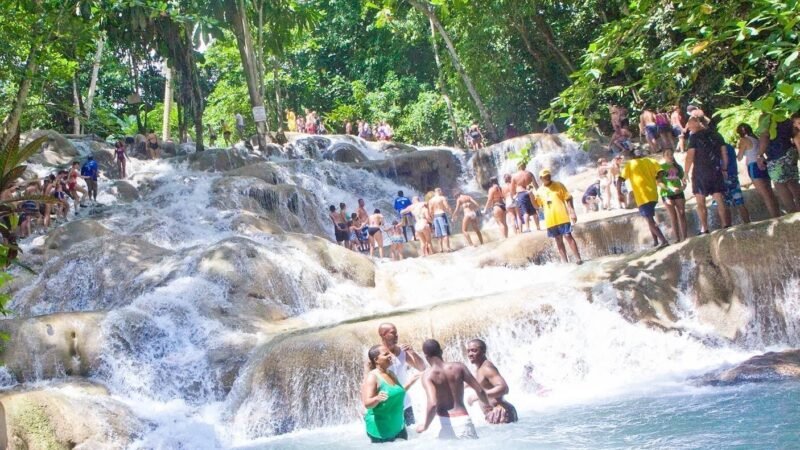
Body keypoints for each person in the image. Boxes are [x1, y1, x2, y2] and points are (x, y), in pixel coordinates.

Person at [415, 339, 491, 440]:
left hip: (444, 422)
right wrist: (489, 408)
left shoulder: (427, 375)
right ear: (441, 351)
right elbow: (480, 391)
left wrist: (425, 426)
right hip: (464, 420)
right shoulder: (459, 367)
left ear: (426, 356)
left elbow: (432, 404)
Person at [361, 345, 420, 443]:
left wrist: (411, 382)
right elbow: (367, 403)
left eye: (390, 353)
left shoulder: (390, 373)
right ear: (376, 360)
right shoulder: (373, 377)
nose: (390, 355)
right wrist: (377, 398)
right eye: (386, 354)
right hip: (381, 431)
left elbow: (399, 391)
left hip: (399, 427)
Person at [684, 116, 730, 233]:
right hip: (715, 170)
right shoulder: (716, 135)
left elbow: (690, 156)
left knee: (700, 201)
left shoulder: (694, 137)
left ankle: (704, 228)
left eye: (690, 124)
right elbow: (724, 153)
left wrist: (685, 173)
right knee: (719, 198)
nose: (689, 128)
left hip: (700, 172)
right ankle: (725, 224)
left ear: (697, 122)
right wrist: (724, 169)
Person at [377, 323, 425, 425]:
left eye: (397, 333)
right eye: (393, 333)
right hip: (389, 405)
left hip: (406, 403)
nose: (396, 336)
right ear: (383, 335)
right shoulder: (377, 356)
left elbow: (422, 368)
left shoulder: (402, 352)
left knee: (412, 437)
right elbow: (368, 380)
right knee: (393, 439)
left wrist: (412, 352)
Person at [618, 155, 670, 247]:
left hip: (642, 196)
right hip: (653, 194)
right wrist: (657, 179)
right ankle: (655, 241)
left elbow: (620, 179)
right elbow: (661, 172)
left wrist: (619, 193)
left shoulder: (630, 164)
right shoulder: (651, 161)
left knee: (650, 220)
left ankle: (664, 240)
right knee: (648, 218)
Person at [534, 169, 583, 264]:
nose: (547, 177)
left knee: (568, 235)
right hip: (550, 219)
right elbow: (537, 206)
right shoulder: (539, 191)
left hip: (562, 216)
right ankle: (565, 261)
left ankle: (578, 259)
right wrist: (531, 197)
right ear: (540, 178)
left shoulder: (559, 185)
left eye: (548, 175)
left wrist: (572, 211)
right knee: (558, 240)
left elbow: (568, 198)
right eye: (545, 176)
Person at [466, 339, 518, 424]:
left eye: (474, 350)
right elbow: (481, 383)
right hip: (494, 415)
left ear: (483, 351)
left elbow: (504, 388)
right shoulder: (479, 368)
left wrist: (479, 396)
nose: (470, 354)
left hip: (501, 413)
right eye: (468, 351)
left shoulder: (487, 368)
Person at [758, 114, 800, 213]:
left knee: (780, 185)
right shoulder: (783, 119)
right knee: (793, 182)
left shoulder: (765, 120)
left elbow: (765, 137)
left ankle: (792, 214)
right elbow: (795, 135)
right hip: (790, 154)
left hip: (775, 158)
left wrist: (759, 155)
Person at [736, 123, 779, 218]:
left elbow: (739, 157)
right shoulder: (756, 138)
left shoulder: (744, 140)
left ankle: (774, 216)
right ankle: (777, 213)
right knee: (769, 191)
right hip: (763, 163)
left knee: (765, 194)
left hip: (753, 166)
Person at [658, 149, 688, 242]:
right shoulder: (660, 167)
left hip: (678, 193)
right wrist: (669, 188)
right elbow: (659, 182)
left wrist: (683, 187)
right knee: (673, 216)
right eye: (667, 154)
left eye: (671, 154)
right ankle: (677, 238)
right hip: (667, 194)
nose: (670, 156)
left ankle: (685, 237)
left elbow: (684, 180)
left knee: (682, 213)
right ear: (664, 156)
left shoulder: (678, 167)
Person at [722, 143, 751, 225]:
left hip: (724, 177)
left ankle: (727, 226)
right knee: (739, 202)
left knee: (724, 205)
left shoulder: (719, 148)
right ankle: (747, 222)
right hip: (733, 175)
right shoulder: (730, 147)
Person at [511, 162, 541, 231]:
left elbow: (512, 189)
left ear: (518, 167)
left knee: (525, 212)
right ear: (524, 166)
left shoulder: (515, 176)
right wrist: (539, 192)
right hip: (530, 192)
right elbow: (535, 184)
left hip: (521, 194)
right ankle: (538, 227)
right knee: (534, 211)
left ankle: (528, 228)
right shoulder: (529, 173)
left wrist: (513, 196)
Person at [428, 188, 452, 253]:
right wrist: (450, 213)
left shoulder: (431, 200)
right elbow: (446, 206)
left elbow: (430, 211)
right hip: (441, 214)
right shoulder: (442, 198)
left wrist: (432, 218)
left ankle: (440, 249)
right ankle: (447, 248)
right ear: (439, 191)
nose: (442, 192)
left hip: (435, 217)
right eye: (441, 190)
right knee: (445, 233)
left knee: (438, 234)